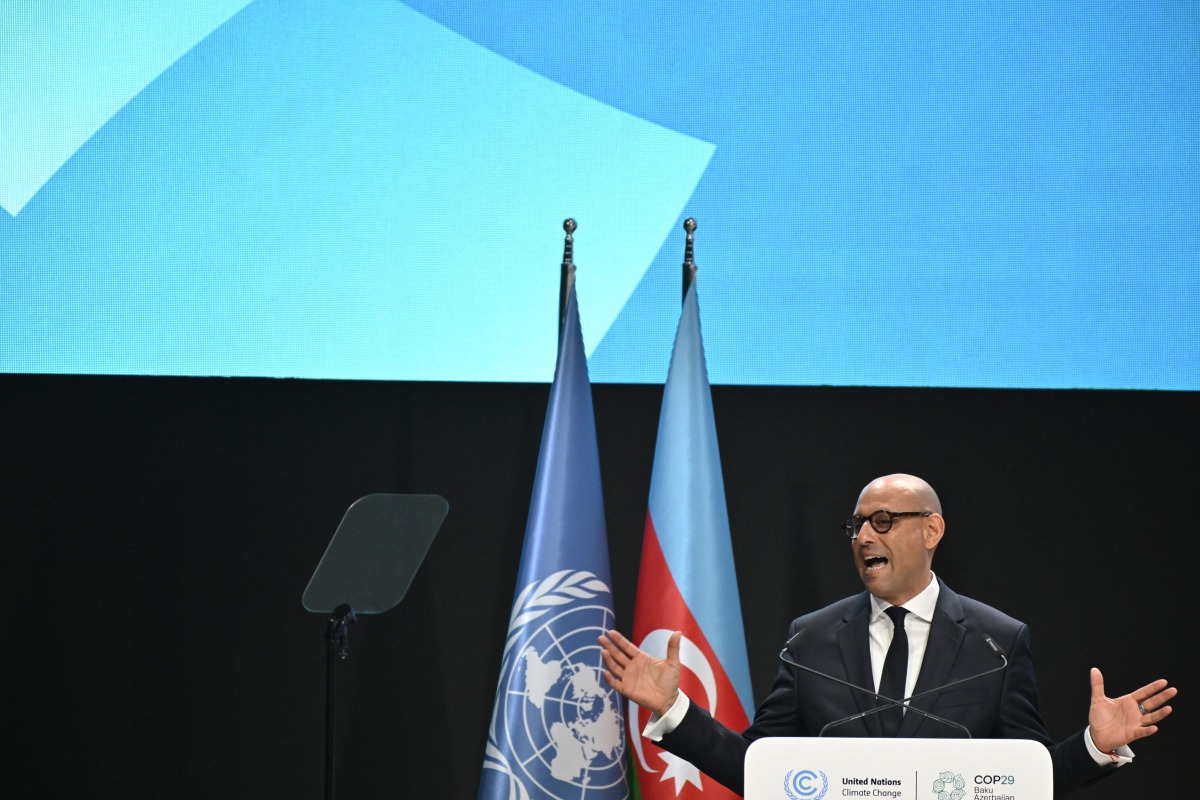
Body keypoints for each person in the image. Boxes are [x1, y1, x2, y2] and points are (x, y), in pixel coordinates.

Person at [599, 474, 1176, 797]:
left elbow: (1027, 779)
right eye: (856, 525)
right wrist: (675, 710)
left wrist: (1095, 746)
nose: (862, 537)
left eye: (882, 522)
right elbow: (758, 765)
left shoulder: (997, 641)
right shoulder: (811, 640)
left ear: (932, 530)